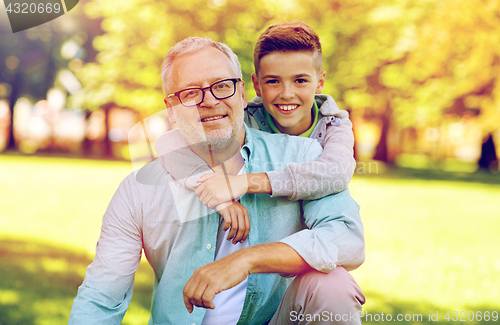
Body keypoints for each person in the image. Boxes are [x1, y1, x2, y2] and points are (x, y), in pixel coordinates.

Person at [68, 37, 365, 325]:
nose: (209, 101)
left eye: (222, 86)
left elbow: (347, 240)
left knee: (333, 286)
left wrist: (246, 260)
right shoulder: (139, 190)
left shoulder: (302, 155)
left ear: (243, 93)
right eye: (191, 93)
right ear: (171, 108)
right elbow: (102, 296)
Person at [171, 21, 355, 227]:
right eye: (273, 81)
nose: (287, 94)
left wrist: (243, 183)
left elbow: (337, 173)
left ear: (320, 82)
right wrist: (220, 200)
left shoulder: (333, 124)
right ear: (257, 85)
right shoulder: (244, 117)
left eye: (300, 80)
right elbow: (171, 142)